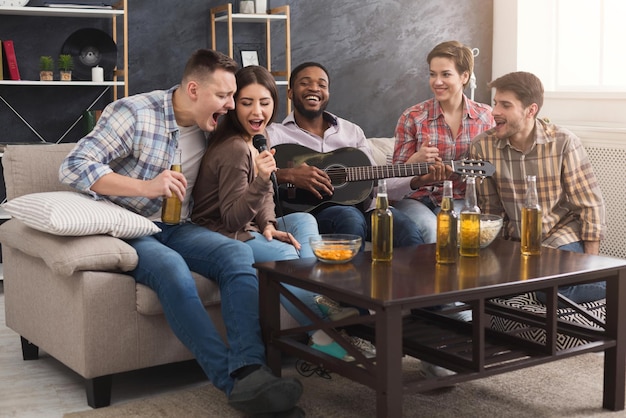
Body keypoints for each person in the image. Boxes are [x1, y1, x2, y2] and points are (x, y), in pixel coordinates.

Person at [58, 49, 303, 417]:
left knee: (237, 255)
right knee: (172, 269)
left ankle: (250, 369)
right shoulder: (136, 113)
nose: (231, 104)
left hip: (182, 227)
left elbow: (251, 174)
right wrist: (146, 188)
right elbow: (73, 166)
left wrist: (266, 220)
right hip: (134, 227)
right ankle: (235, 383)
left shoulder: (215, 125)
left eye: (232, 96)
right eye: (224, 96)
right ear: (193, 89)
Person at [191, 65, 364, 361]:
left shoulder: (259, 138)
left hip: (251, 224)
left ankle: (322, 300)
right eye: (247, 103)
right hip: (222, 231)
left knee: (304, 220)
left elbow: (268, 192)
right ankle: (321, 332)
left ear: (275, 103)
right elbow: (233, 218)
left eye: (265, 102)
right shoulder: (234, 148)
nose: (257, 111)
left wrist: (269, 224)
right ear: (233, 105)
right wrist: (260, 181)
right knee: (283, 257)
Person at [469, 71, 607, 303]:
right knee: (488, 288)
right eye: (495, 103)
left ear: (530, 110)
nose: (494, 112)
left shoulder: (564, 142)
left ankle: (614, 282)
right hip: (517, 244)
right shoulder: (482, 147)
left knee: (548, 292)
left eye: (505, 105)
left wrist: (589, 268)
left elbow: (590, 204)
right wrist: (494, 264)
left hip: (560, 236)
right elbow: (490, 211)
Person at [266, 61, 427, 250]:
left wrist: (417, 179)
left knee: (407, 230)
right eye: (305, 83)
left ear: (328, 93)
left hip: (367, 209)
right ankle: (347, 280)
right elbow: (254, 177)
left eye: (322, 85)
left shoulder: (352, 131)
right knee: (350, 217)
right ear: (290, 92)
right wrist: (288, 175)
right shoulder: (274, 134)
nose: (314, 88)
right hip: (313, 212)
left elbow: (376, 181)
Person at [392, 40, 495, 243]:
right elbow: (394, 178)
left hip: (458, 198)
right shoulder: (412, 117)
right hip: (415, 199)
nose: (437, 81)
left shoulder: (485, 117)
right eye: (432, 74)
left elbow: (492, 167)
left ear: (464, 76)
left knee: (453, 228)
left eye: (445, 74)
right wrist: (415, 161)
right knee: (432, 230)